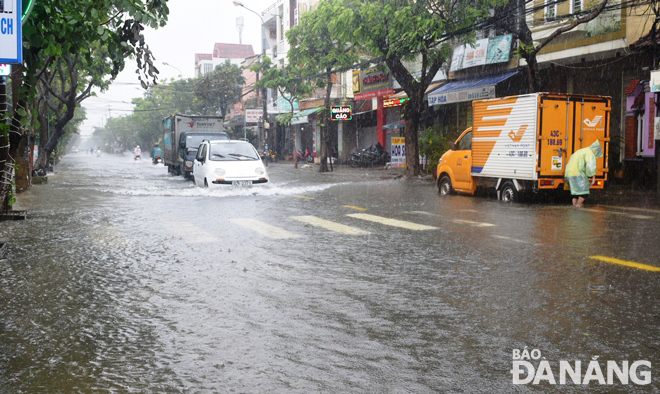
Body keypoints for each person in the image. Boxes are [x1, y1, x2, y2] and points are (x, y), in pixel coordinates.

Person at [564, 140, 603, 208]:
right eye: (597, 152)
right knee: (584, 192)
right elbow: (590, 166)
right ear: (596, 149)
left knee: (575, 191)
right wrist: (592, 175)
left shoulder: (580, 151)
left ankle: (574, 207)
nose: (596, 154)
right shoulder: (589, 153)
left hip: (568, 173)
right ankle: (578, 205)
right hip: (577, 173)